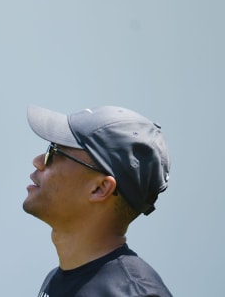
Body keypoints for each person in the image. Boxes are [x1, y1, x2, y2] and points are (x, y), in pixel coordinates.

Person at [23, 104, 172, 297]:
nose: (38, 160)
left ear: (100, 188)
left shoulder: (133, 293)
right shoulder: (57, 279)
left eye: (55, 151)